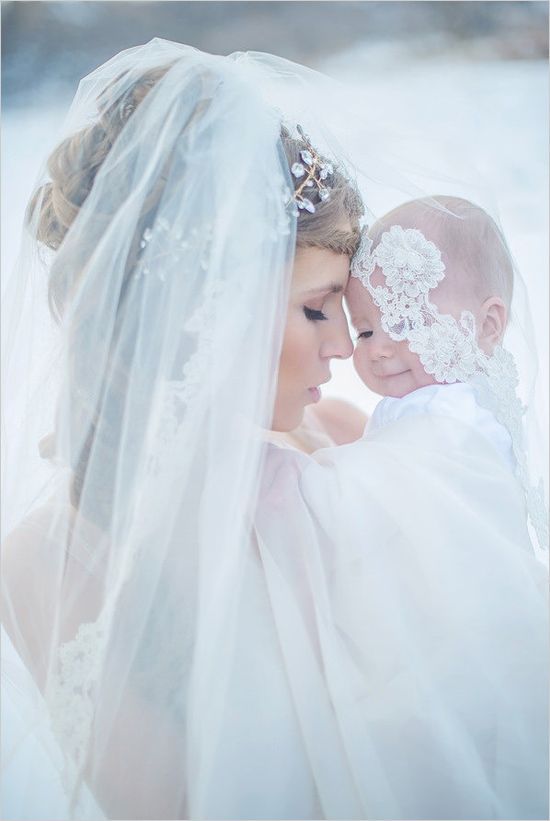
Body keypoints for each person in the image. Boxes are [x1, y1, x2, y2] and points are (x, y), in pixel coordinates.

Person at [1, 39, 379, 820]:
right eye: (315, 307)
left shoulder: (341, 435)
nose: (344, 344)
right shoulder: (51, 559)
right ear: (207, 304)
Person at [256, 195, 548, 818]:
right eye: (365, 329)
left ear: (488, 326)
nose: (378, 349)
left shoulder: (454, 419)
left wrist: (272, 471)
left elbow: (356, 496)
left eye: (407, 321)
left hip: (462, 640)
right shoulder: (423, 402)